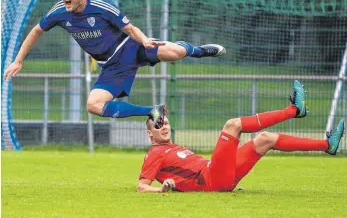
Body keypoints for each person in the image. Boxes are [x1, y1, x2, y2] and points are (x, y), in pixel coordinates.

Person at [3, 0, 226, 127]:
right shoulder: (58, 11)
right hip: (112, 66)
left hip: (131, 47)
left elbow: (129, 28)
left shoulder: (101, 6)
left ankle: (200, 51)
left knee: (176, 52)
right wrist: (19, 60)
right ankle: (152, 111)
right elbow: (35, 31)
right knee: (94, 105)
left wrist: (145, 40)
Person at [138, 80, 345, 193]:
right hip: (209, 179)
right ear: (150, 133)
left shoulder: (172, 148)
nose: (163, 126)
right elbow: (142, 186)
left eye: (164, 122)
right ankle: (293, 110)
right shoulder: (154, 153)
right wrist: (161, 190)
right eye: (158, 125)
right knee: (233, 125)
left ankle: (327, 144)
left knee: (265, 139)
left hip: (217, 176)